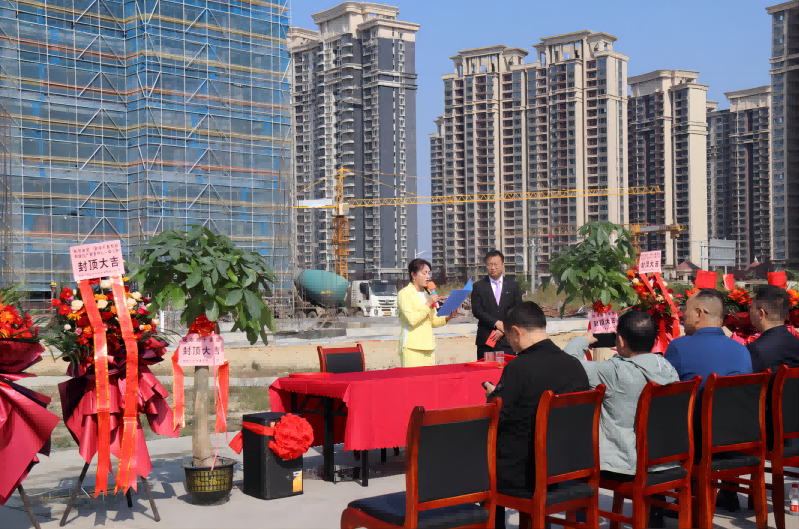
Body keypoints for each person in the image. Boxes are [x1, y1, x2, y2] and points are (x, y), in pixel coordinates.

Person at [565, 310, 679, 528]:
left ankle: (582, 523)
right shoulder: (667, 367)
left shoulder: (615, 371)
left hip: (626, 463)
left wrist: (583, 340)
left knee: (575, 459)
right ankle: (653, 513)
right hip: (665, 459)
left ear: (622, 341)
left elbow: (568, 365)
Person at [484, 302, 589, 529]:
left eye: (508, 337)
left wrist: (494, 397)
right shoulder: (575, 366)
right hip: (569, 468)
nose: (510, 344)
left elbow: (496, 418)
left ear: (517, 332)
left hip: (526, 474)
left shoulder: (518, 368)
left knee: (481, 465)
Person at [664, 288, 752, 513]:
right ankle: (729, 492)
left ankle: (663, 504)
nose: (682, 315)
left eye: (685, 310)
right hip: (740, 437)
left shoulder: (679, 347)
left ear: (699, 313)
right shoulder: (742, 350)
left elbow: (666, 393)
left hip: (698, 440)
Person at [396, 258, 457, 367]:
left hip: (429, 347)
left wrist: (448, 317)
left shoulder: (428, 294)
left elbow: (433, 321)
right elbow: (413, 320)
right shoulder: (404, 294)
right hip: (412, 348)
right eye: (424, 273)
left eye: (429, 273)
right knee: (412, 378)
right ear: (413, 275)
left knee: (429, 378)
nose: (428, 276)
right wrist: (428, 303)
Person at [471, 250, 524, 361]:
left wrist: (504, 327)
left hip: (507, 339)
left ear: (503, 265)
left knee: (508, 370)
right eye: (489, 265)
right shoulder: (478, 286)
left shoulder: (513, 286)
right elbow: (477, 310)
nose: (493, 268)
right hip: (486, 340)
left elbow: (517, 310)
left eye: (496, 264)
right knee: (485, 371)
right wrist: (496, 323)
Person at [747, 284, 799, 373]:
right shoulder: (796, 344)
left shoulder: (754, 350)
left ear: (760, 314)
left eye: (750, 307)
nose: (748, 312)